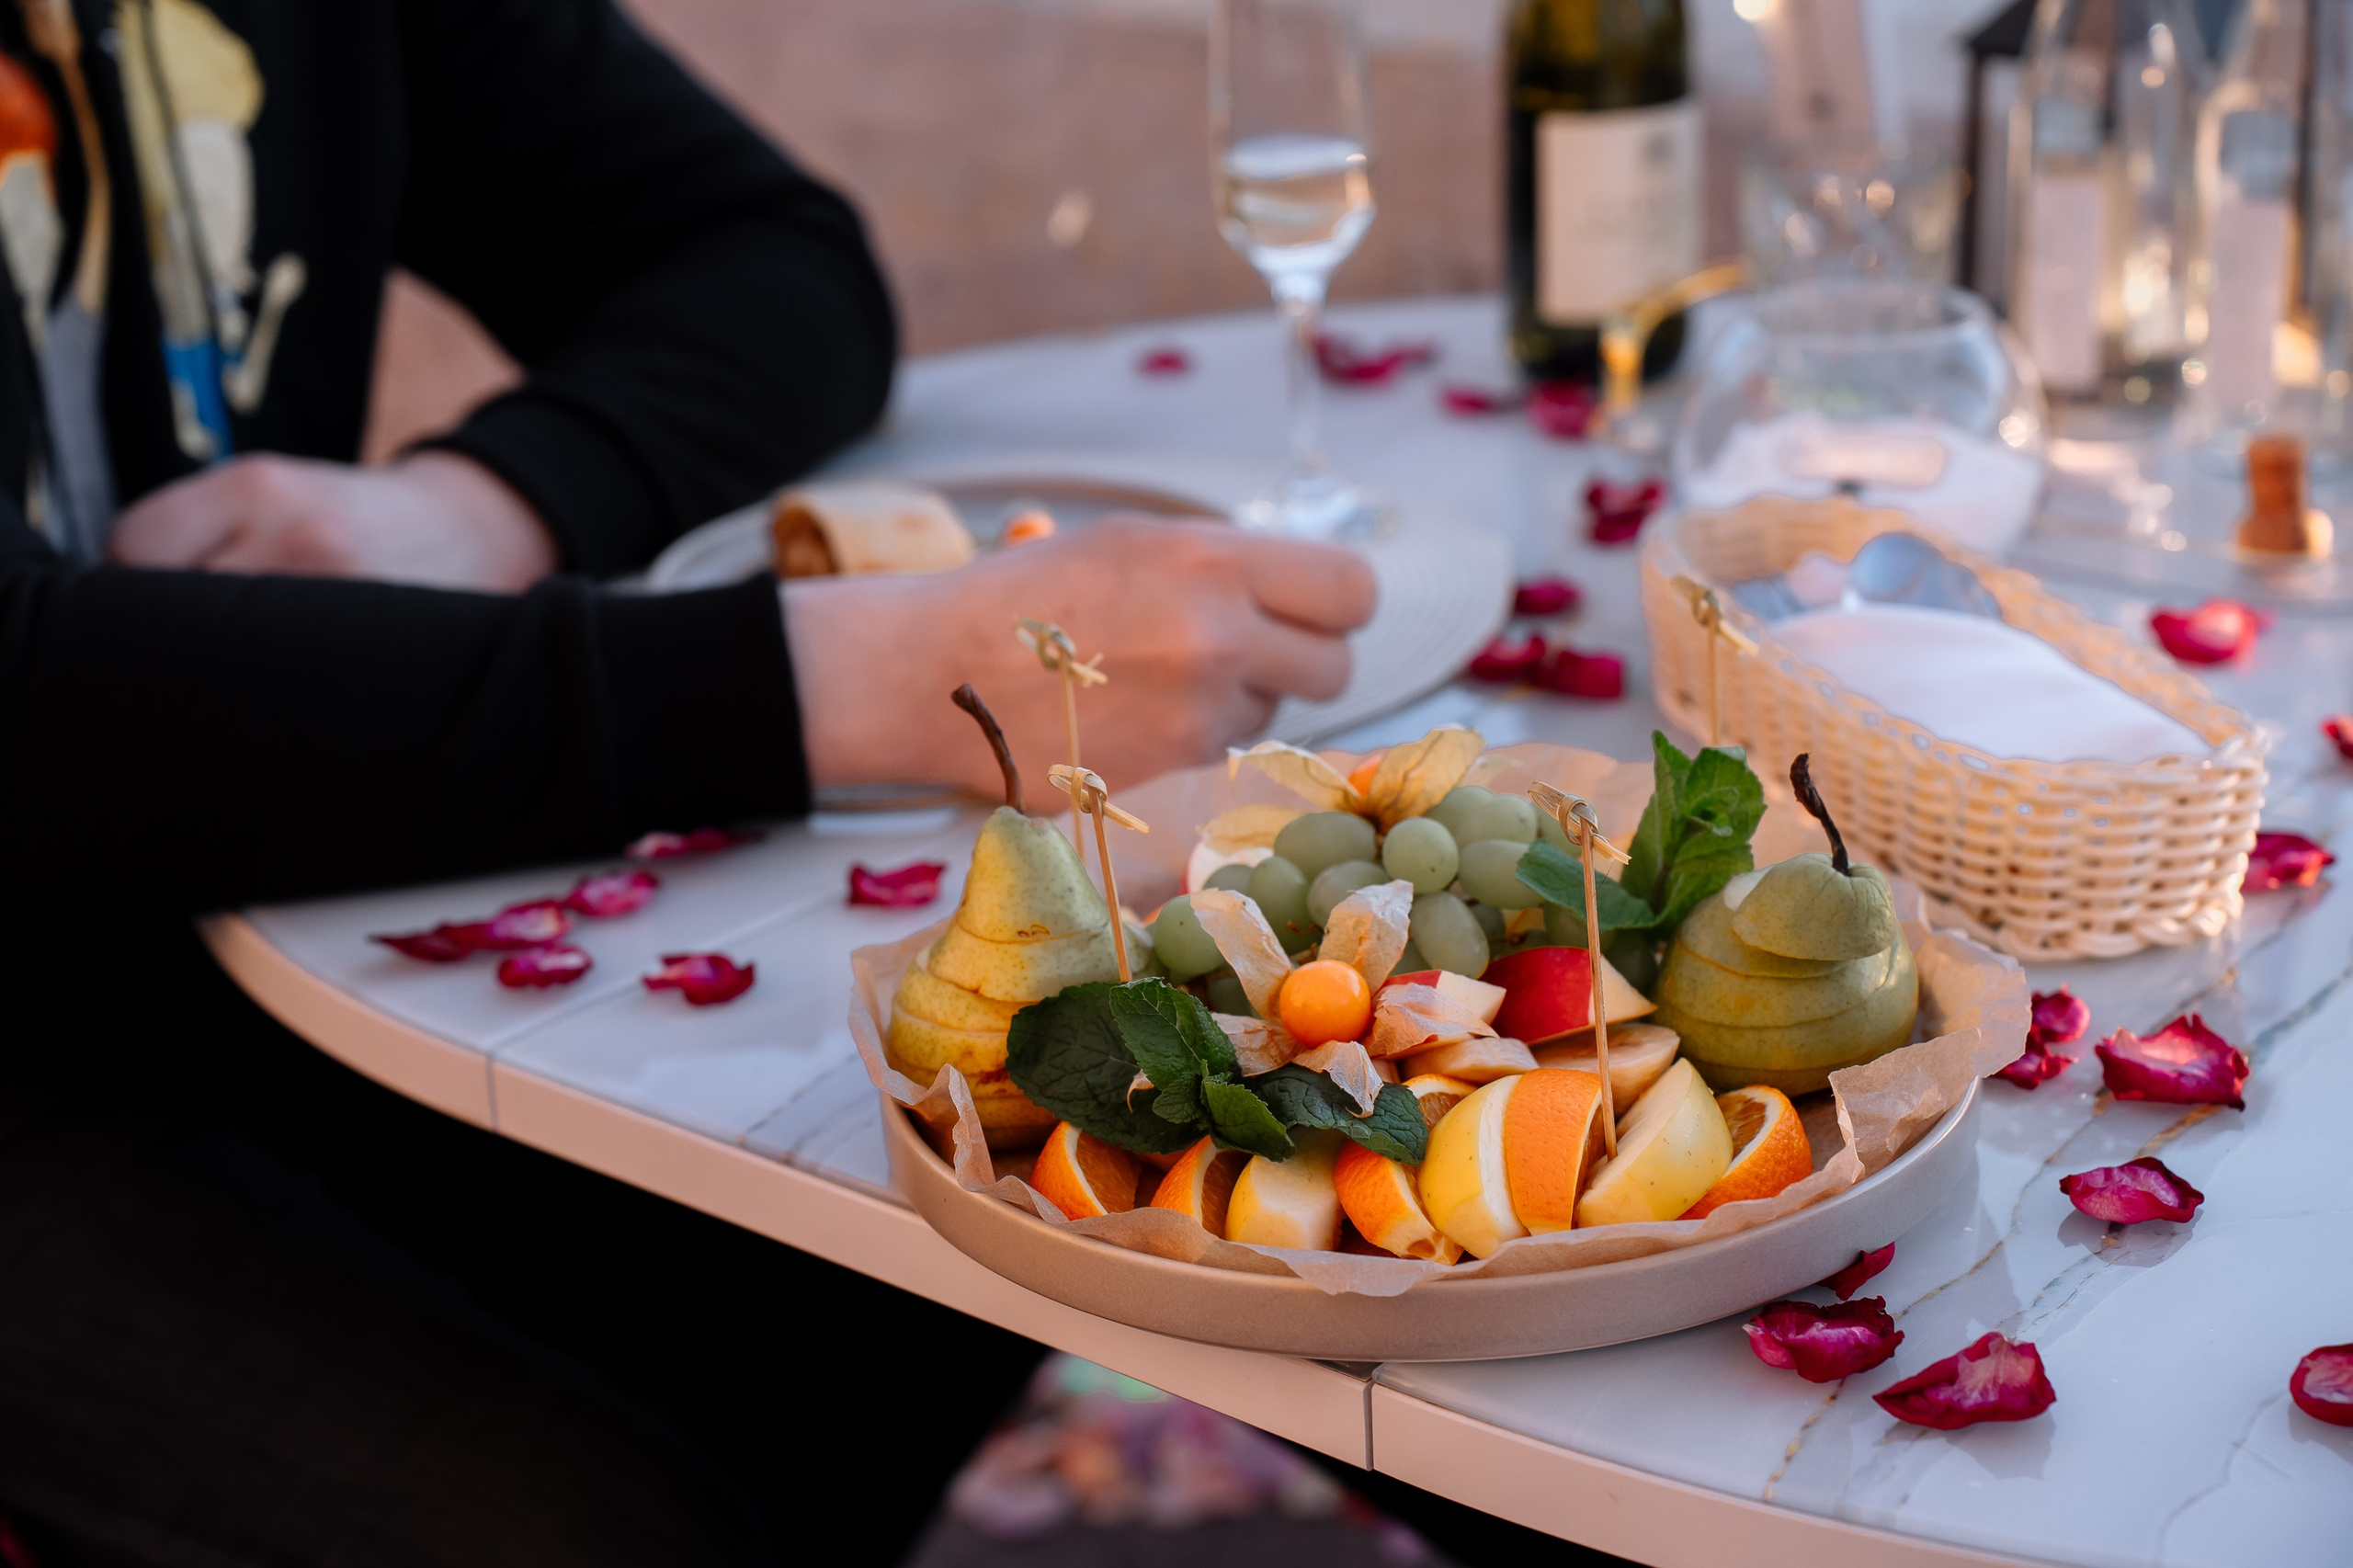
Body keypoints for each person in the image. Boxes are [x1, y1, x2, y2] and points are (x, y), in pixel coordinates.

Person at [0, 2, 1375, 1565]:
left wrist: (493, 501)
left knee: (924, 1217)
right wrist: (839, 678)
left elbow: (774, 259)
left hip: (263, 893)